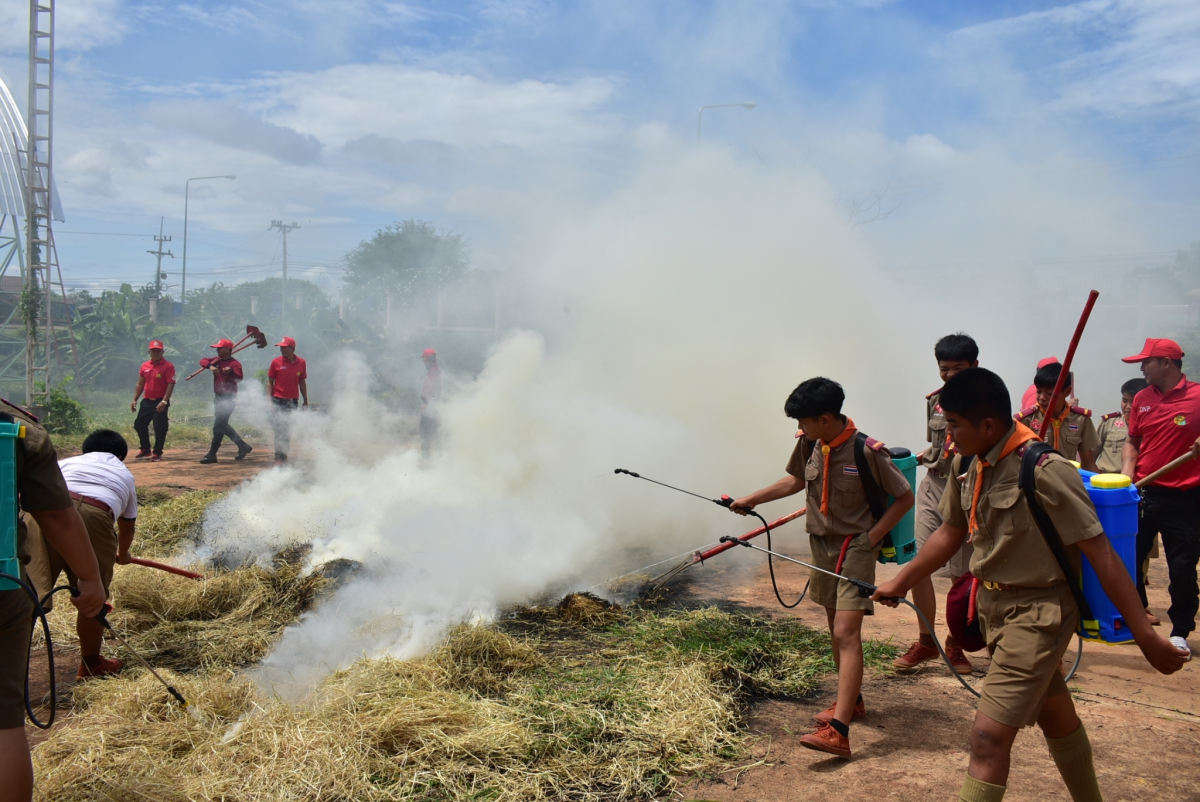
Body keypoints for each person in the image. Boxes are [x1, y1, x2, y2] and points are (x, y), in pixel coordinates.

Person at [872, 367, 1188, 802]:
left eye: (955, 427)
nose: (949, 439)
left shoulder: (1044, 469)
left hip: (1039, 615)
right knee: (1055, 715)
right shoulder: (969, 461)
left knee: (987, 738)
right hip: (994, 612)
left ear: (987, 425)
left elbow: (1102, 554)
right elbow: (950, 530)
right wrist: (901, 581)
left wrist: (1145, 634)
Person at [730, 377, 913, 757]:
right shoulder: (812, 443)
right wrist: (752, 499)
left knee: (847, 632)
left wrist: (873, 537)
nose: (800, 429)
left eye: (805, 422)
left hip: (855, 547)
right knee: (835, 627)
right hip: (823, 546)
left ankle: (840, 731)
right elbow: (796, 481)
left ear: (826, 419)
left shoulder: (867, 451)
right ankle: (853, 702)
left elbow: (904, 497)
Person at [0, 400, 105, 802]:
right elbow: (57, 516)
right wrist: (90, 578)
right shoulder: (17, 429)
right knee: (3, 722)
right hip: (3, 585)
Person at [894, 333, 977, 675]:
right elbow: (936, 444)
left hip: (969, 489)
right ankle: (926, 642)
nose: (951, 375)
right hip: (935, 484)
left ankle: (957, 645)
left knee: (962, 573)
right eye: (945, 369)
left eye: (959, 368)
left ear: (974, 365)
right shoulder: (935, 401)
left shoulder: (988, 401)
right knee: (920, 562)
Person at [25, 429, 137, 680]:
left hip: (40, 513)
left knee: (27, 593)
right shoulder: (124, 473)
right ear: (120, 456)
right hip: (92, 515)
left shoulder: (65, 462)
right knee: (92, 598)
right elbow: (127, 524)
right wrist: (124, 552)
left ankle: (10, 666)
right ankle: (91, 664)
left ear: (85, 451)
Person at [1120, 337, 1200, 657]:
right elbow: (1132, 442)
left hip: (1185, 497)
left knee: (1181, 567)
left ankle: (1180, 630)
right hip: (1143, 493)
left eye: (1146, 362)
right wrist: (1127, 477)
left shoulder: (1197, 396)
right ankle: (1136, 618)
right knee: (1128, 559)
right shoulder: (1142, 398)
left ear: (1166, 363)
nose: (1141, 368)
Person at [1014, 362, 1099, 472]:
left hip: (1068, 481)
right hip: (1037, 483)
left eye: (1049, 393)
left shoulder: (1081, 420)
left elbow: (1088, 463)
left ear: (1067, 391)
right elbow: (1015, 462)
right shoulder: (1026, 420)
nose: (1042, 398)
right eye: (1039, 391)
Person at [199, 339, 251, 464]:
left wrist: (231, 372)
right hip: (218, 396)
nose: (217, 350)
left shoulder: (235, 364)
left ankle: (212, 454)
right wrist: (211, 366)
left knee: (218, 426)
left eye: (219, 348)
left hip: (229, 397)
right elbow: (203, 361)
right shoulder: (216, 360)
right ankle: (243, 445)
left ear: (227, 349)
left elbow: (240, 377)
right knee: (222, 425)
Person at [130, 339, 175, 461]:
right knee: (139, 424)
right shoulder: (144, 366)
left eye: (158, 351)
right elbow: (140, 384)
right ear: (149, 352)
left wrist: (164, 401)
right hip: (146, 401)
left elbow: (171, 384)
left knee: (159, 427)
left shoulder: (168, 366)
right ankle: (145, 449)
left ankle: (157, 452)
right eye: (153, 351)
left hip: (160, 400)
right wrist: (135, 399)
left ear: (163, 352)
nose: (156, 353)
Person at [267, 336, 308, 466]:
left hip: (293, 401)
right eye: (281, 348)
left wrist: (305, 399)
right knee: (279, 429)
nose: (282, 350)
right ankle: (278, 458)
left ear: (292, 348)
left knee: (287, 429)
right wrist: (270, 399)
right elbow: (270, 381)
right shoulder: (276, 362)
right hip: (278, 400)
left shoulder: (301, 363)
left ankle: (284, 457)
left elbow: (302, 382)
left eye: (285, 348)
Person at [1096, 378, 1148, 474]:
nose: (1128, 406)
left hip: (1139, 482)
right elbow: (1089, 457)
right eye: (1125, 401)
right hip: (1108, 482)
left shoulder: (1151, 427)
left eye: (1133, 402)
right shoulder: (1108, 423)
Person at [419, 348, 441, 456]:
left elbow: (431, 389)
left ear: (428, 358)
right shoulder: (433, 370)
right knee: (432, 431)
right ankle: (438, 455)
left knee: (425, 432)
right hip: (433, 405)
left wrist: (426, 403)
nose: (423, 361)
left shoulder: (433, 372)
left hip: (430, 406)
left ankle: (426, 456)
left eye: (424, 358)